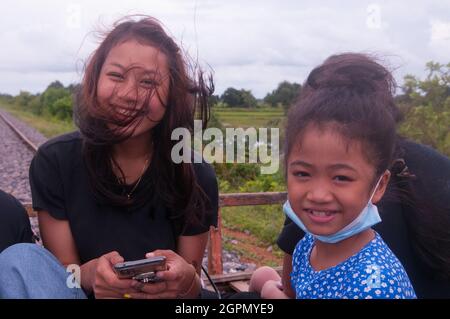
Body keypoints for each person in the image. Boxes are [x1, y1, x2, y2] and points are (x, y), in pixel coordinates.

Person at [0, 16, 218, 299]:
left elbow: (191, 288)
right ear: (95, 79)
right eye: (116, 76)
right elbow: (64, 275)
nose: (129, 94)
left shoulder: (195, 174)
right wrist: (90, 275)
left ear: (172, 95)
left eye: (149, 82)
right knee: (22, 259)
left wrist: (185, 281)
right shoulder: (55, 162)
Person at [271, 56, 450, 299]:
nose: (318, 194)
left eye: (341, 178)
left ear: (380, 184)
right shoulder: (308, 245)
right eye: (302, 173)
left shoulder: (375, 285)